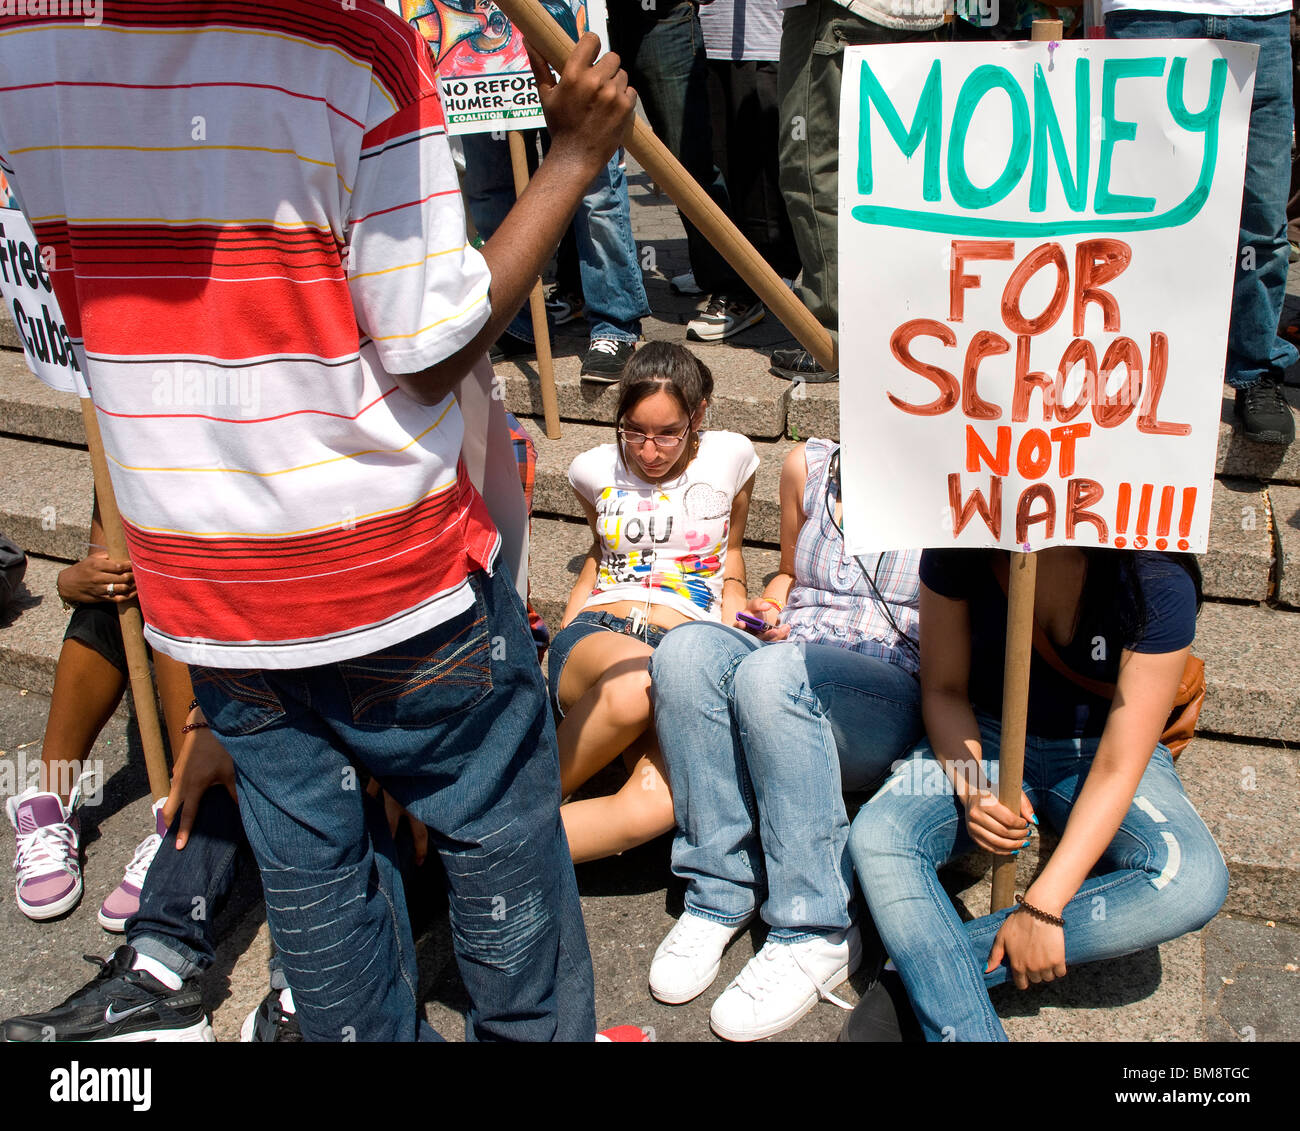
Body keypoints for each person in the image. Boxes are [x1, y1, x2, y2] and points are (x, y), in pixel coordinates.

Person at [0, 1, 635, 1041]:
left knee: (317, 887)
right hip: (389, 573)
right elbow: (430, 350)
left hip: (210, 590)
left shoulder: (25, 37)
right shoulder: (352, 42)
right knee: (498, 853)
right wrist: (569, 161)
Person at [844, 547, 1229, 1042]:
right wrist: (972, 787)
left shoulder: (1157, 577)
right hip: (984, 734)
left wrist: (1043, 908)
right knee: (879, 832)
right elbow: (943, 690)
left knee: (1192, 880)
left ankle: (927, 970)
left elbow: (1118, 765)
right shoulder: (957, 539)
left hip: (1100, 750)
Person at [647, 438, 921, 1041]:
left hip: (888, 683)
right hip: (787, 651)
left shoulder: (964, 482)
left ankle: (816, 925)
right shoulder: (811, 464)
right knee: (687, 651)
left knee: (776, 676)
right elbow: (792, 573)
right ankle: (720, 887)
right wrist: (770, 602)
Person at [549, 341, 758, 863]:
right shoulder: (590, 469)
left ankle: (483, 854)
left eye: (667, 433)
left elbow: (730, 552)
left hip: (682, 648)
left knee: (658, 804)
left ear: (699, 415)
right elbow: (600, 552)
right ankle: (515, 806)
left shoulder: (732, 456)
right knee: (636, 683)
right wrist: (558, 638)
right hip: (602, 635)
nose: (648, 450)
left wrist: (735, 601)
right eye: (634, 431)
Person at [1107, 0, 1298, 446]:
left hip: (1259, 16)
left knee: (1263, 222)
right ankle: (1135, 364)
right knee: (1138, 218)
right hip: (1148, 14)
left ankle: (1255, 369)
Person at [5, 501, 193, 930]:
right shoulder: (127, 436)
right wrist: (77, 581)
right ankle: (49, 797)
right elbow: (106, 550)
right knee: (110, 598)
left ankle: (187, 814)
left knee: (167, 586)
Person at [773, 0, 945, 383]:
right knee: (904, 168)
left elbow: (814, 173)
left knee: (816, 167)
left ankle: (835, 336)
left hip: (843, 9)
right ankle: (904, 321)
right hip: (921, 14)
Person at [608, 1, 767, 342]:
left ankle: (737, 287)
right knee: (595, 168)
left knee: (687, 165)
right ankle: (583, 294)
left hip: (662, 19)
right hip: (591, 20)